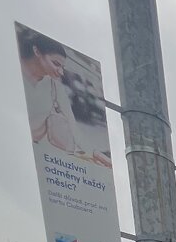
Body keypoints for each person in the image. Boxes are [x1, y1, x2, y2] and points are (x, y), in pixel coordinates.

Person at [17, 29, 111, 167]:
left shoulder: (54, 86)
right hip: (20, 156)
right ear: (37, 52)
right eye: (56, 63)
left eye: (62, 66)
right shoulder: (14, 78)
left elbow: (74, 128)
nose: (60, 72)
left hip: (47, 160)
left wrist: (98, 156)